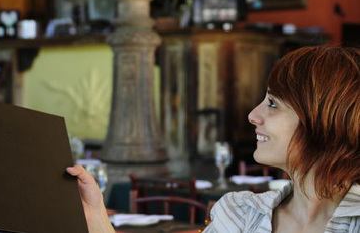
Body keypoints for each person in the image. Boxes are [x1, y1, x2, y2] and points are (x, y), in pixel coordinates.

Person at [71, 46, 360, 233]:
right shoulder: (237, 213)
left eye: (273, 103)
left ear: (323, 120)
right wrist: (98, 219)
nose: (252, 115)